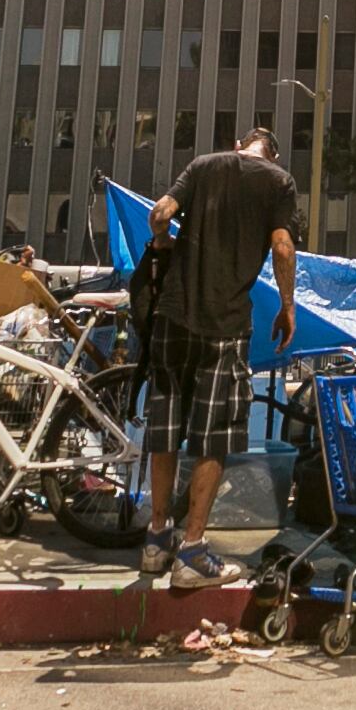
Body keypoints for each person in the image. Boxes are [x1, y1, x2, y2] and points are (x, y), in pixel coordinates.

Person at [139, 126, 299, 580]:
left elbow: (160, 213)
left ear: (238, 146)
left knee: (166, 423)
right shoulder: (278, 182)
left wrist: (166, 240)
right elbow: (283, 247)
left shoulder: (204, 165)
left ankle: (156, 539)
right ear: (272, 154)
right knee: (213, 435)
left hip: (174, 314)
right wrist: (287, 307)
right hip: (225, 325)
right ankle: (192, 551)